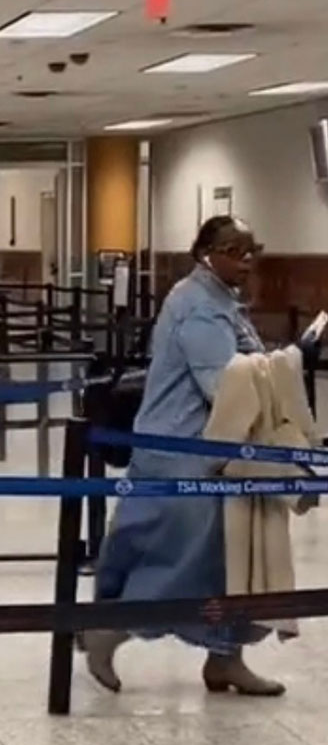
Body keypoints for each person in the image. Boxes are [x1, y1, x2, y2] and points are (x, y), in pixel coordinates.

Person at [86, 215, 288, 698]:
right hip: (186, 453)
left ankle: (225, 658)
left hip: (199, 448)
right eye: (234, 250)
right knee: (182, 562)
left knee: (229, 558)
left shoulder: (218, 299)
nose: (246, 260)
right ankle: (108, 633)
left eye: (250, 249)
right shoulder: (199, 307)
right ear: (206, 253)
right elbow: (222, 386)